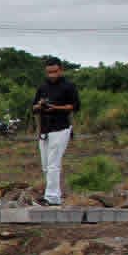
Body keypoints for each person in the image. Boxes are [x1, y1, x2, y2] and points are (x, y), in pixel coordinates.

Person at [33, 57, 81, 206]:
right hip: (45, 129)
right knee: (46, 165)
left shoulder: (68, 86)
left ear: (60, 70)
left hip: (61, 128)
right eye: (49, 72)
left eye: (54, 72)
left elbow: (74, 106)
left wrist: (56, 108)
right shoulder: (42, 87)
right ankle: (55, 194)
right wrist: (40, 105)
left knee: (54, 163)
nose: (52, 75)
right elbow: (33, 108)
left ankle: (51, 197)